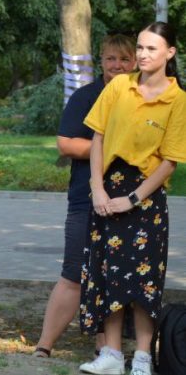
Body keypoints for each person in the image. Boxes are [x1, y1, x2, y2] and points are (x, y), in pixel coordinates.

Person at [78, 22, 186, 375]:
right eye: (140, 47)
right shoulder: (119, 86)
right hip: (108, 188)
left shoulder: (178, 99)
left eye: (151, 48)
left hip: (146, 197)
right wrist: (97, 188)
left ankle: (141, 358)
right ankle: (111, 355)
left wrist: (133, 198)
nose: (142, 54)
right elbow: (98, 138)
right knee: (107, 273)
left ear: (170, 53)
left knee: (144, 280)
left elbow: (169, 161)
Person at [33, 34, 135, 359]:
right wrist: (111, 148)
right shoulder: (86, 96)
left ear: (135, 62)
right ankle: (44, 346)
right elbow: (66, 143)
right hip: (85, 198)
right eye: (111, 58)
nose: (117, 65)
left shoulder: (143, 98)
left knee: (117, 276)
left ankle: (106, 347)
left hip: (132, 201)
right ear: (101, 61)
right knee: (74, 272)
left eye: (124, 59)